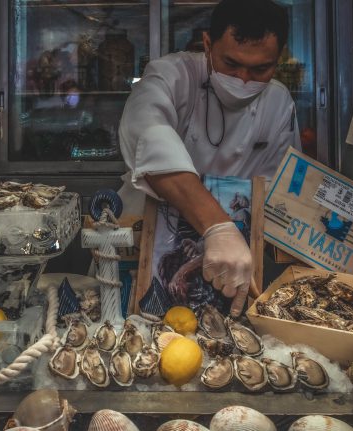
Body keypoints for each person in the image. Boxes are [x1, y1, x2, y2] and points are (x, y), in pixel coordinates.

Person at [118, 0, 301, 317]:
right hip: (141, 244)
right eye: (231, 64)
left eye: (260, 69)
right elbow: (150, 139)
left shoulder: (278, 102)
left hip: (231, 261)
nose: (244, 79)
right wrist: (218, 228)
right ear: (207, 44)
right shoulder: (171, 76)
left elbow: (279, 193)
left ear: (279, 57)